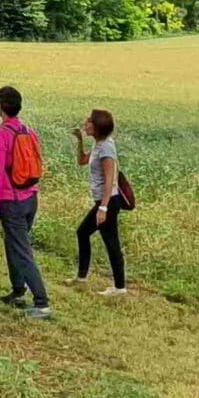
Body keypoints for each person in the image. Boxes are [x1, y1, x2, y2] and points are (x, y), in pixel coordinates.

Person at [0, 86, 51, 318]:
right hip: (30, 197)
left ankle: (41, 303)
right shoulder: (28, 131)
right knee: (14, 244)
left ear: (0, 106)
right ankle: (17, 291)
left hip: (10, 201)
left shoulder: (1, 135)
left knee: (22, 250)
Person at [72, 108, 129, 298]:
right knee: (83, 233)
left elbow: (109, 178)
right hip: (104, 201)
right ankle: (81, 278)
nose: (85, 123)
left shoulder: (106, 148)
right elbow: (81, 161)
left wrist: (103, 208)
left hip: (109, 201)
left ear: (96, 127)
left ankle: (119, 288)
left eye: (89, 121)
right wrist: (79, 141)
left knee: (111, 242)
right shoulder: (98, 145)